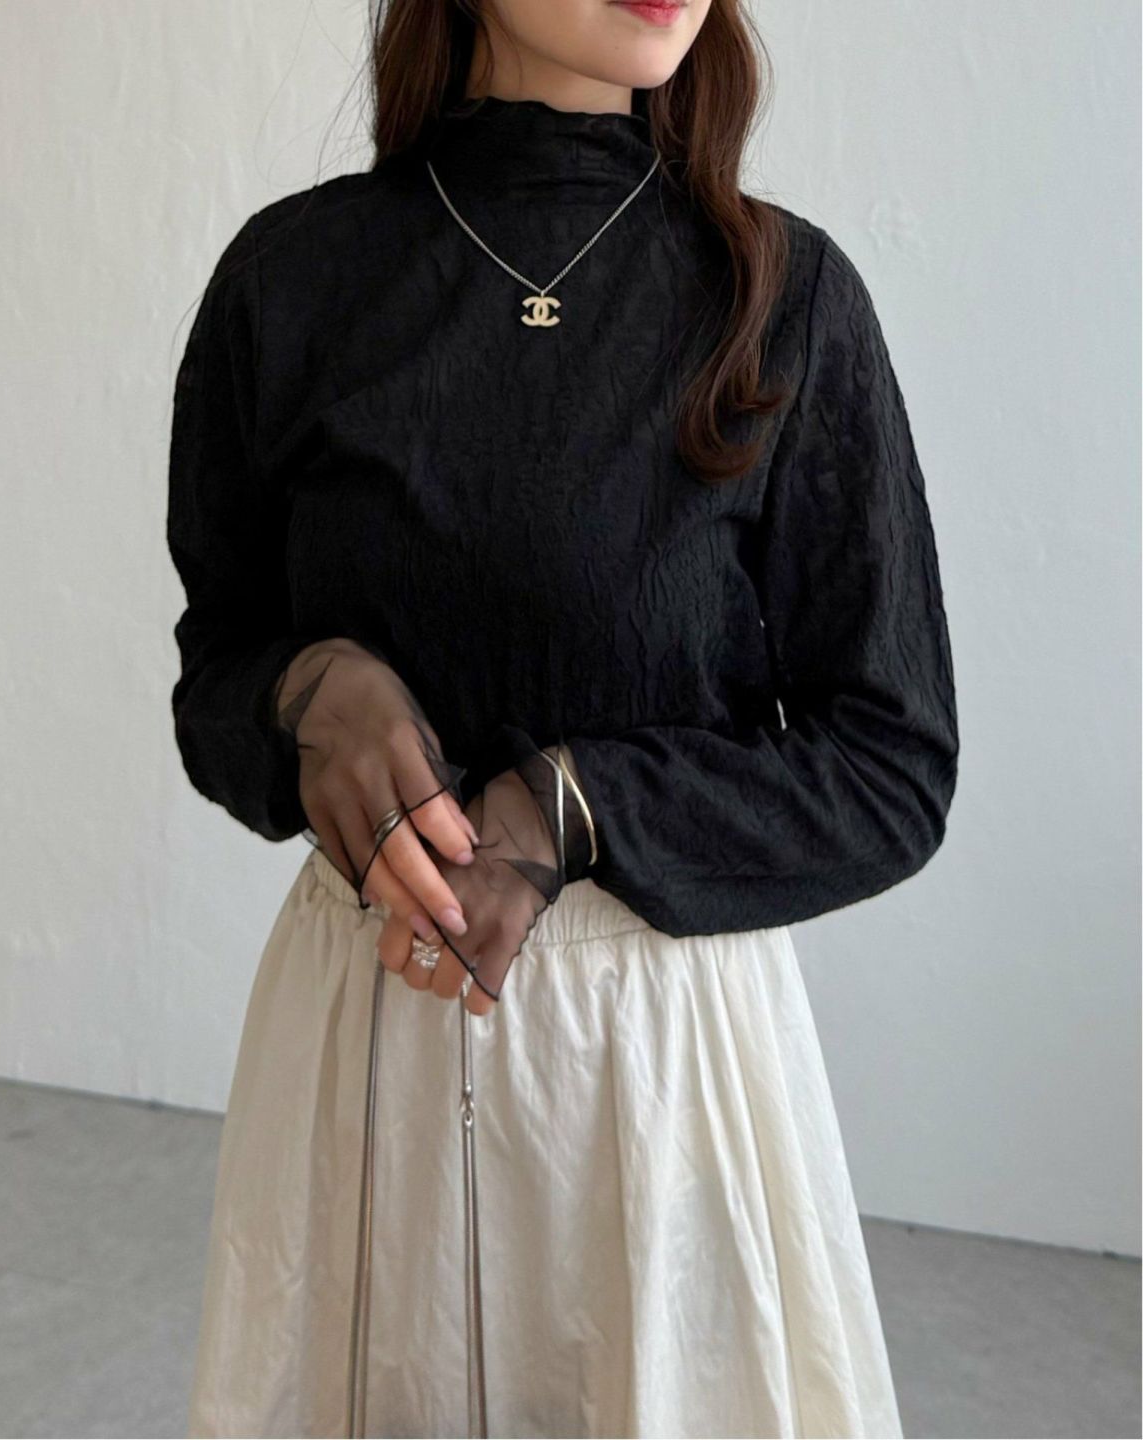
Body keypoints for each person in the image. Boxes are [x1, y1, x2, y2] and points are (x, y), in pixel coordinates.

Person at [167, 1, 959, 1435]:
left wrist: (573, 806)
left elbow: (891, 766)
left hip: (665, 1073)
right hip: (370, 1046)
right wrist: (306, 693)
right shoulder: (291, 282)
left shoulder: (781, 298)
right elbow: (216, 674)